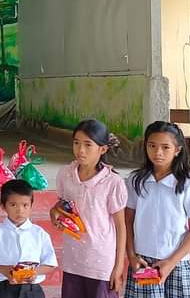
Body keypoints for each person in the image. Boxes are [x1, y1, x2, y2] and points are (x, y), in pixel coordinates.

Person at [125, 121, 190, 298]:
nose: (158, 152)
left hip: (176, 262)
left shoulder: (188, 184)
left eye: (165, 147)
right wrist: (131, 255)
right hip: (143, 262)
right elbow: (128, 220)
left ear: (177, 150)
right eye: (152, 146)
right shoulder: (135, 180)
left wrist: (171, 262)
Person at [51, 119, 128, 298]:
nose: (81, 150)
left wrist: (118, 267)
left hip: (101, 265)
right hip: (73, 260)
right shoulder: (66, 174)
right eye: (76, 143)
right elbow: (62, 205)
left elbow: (121, 227)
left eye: (88, 144)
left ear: (103, 149)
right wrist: (54, 212)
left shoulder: (112, 182)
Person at [0, 179, 58, 298]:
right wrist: (3, 269)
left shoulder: (40, 234)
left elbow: (50, 263)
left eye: (25, 205)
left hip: (32, 290)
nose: (20, 210)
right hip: (3, 289)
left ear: (31, 206)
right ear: (3, 206)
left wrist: (33, 273)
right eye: (13, 205)